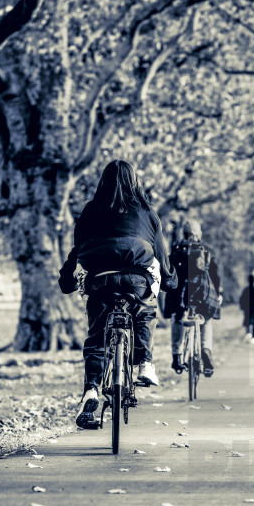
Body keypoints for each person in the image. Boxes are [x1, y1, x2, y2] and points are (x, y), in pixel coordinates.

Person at [58, 160, 176, 430]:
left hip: (100, 276)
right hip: (137, 273)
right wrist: (169, 279)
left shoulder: (90, 210)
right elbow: (160, 252)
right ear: (135, 182)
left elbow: (77, 250)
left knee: (97, 335)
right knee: (145, 310)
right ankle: (145, 362)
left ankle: (91, 390)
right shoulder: (147, 212)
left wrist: (66, 280)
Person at [164, 220, 222, 377]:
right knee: (206, 320)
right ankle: (205, 350)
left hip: (180, 296)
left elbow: (169, 273)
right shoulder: (206, 251)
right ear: (199, 234)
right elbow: (215, 277)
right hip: (201, 295)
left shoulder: (176, 250)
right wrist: (218, 294)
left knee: (177, 318)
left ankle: (176, 355)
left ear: (183, 234)